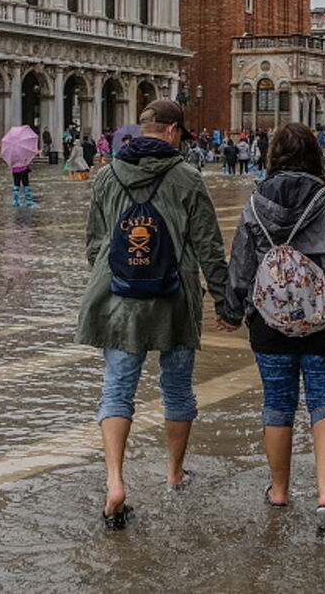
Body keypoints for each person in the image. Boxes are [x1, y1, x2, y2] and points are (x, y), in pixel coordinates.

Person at [76, 99, 229, 530]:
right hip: (175, 299)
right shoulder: (187, 176)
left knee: (117, 390)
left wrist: (120, 276)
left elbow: (93, 243)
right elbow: (209, 247)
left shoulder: (106, 175)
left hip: (118, 299)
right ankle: (175, 473)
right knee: (177, 390)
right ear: (174, 131)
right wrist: (224, 300)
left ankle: (115, 483)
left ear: (141, 131)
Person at [218, 122, 325, 535]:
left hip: (269, 324)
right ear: (315, 154)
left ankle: (280, 491)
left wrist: (232, 311)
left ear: (272, 156)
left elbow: (241, 266)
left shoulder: (255, 204)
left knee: (277, 404)